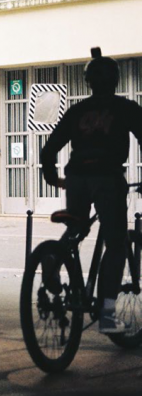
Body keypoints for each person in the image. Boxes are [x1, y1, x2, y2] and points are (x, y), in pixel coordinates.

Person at [40, 48, 142, 334]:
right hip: (107, 178)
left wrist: (52, 178)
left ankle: (56, 255)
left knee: (77, 225)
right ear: (116, 81)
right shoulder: (126, 108)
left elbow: (49, 148)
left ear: (89, 83)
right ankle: (108, 318)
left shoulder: (77, 110)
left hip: (77, 177)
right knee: (116, 242)